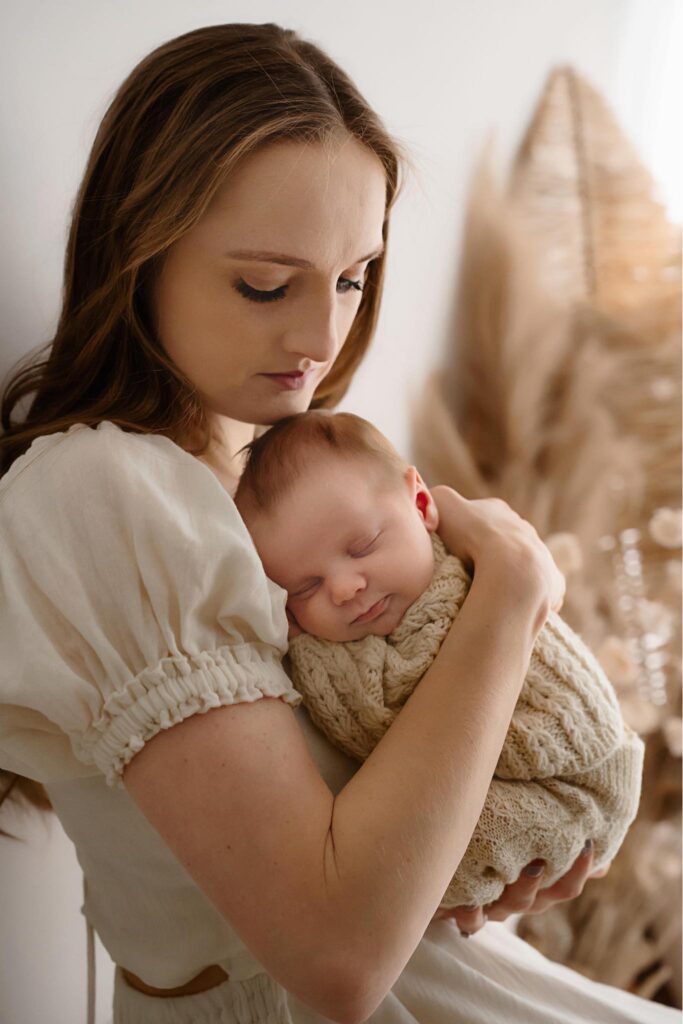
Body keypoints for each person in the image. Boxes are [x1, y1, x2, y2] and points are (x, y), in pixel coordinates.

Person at [0, 22, 677, 1024]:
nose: (322, 337)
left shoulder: (263, 477)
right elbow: (337, 959)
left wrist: (524, 827)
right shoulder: (103, 490)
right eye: (265, 284)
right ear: (137, 250)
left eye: (353, 276)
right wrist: (515, 587)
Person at [233, 408, 645, 910]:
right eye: (306, 586)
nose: (344, 588)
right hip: (491, 794)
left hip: (578, 779)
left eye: (362, 546)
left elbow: (575, 720)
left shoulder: (467, 591)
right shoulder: (324, 648)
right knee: (406, 848)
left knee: (421, 858)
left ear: (421, 504)